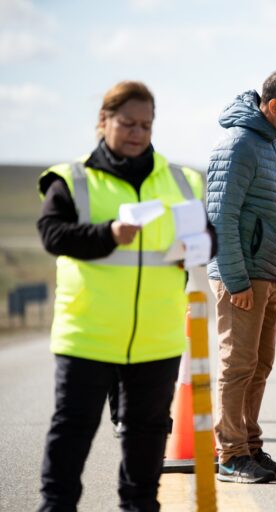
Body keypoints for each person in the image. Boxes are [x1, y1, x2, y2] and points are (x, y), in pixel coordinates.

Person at [36, 80, 214, 512]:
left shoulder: (182, 180)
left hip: (157, 336)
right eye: (128, 123)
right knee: (73, 429)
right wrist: (108, 235)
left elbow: (210, 239)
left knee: (148, 432)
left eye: (146, 125)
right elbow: (52, 234)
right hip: (88, 332)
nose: (137, 133)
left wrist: (195, 250)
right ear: (104, 121)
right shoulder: (73, 179)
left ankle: (139, 507)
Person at [207, 69, 276, 484]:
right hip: (243, 279)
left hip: (265, 276)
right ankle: (231, 453)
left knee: (260, 364)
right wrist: (237, 281)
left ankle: (249, 445)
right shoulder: (237, 145)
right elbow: (221, 218)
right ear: (273, 105)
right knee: (238, 365)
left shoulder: (268, 144)